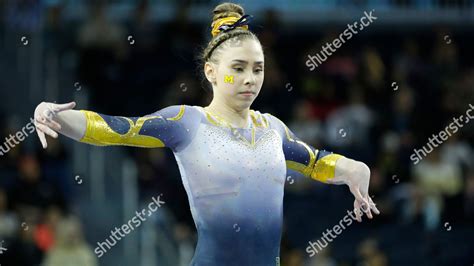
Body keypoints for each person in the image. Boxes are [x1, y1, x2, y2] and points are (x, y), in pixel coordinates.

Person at [33, 3, 379, 265]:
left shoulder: (272, 129)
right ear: (212, 72)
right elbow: (117, 129)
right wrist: (59, 118)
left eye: (257, 69)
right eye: (238, 68)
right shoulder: (188, 122)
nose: (250, 79)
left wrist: (354, 169)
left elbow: (317, 162)